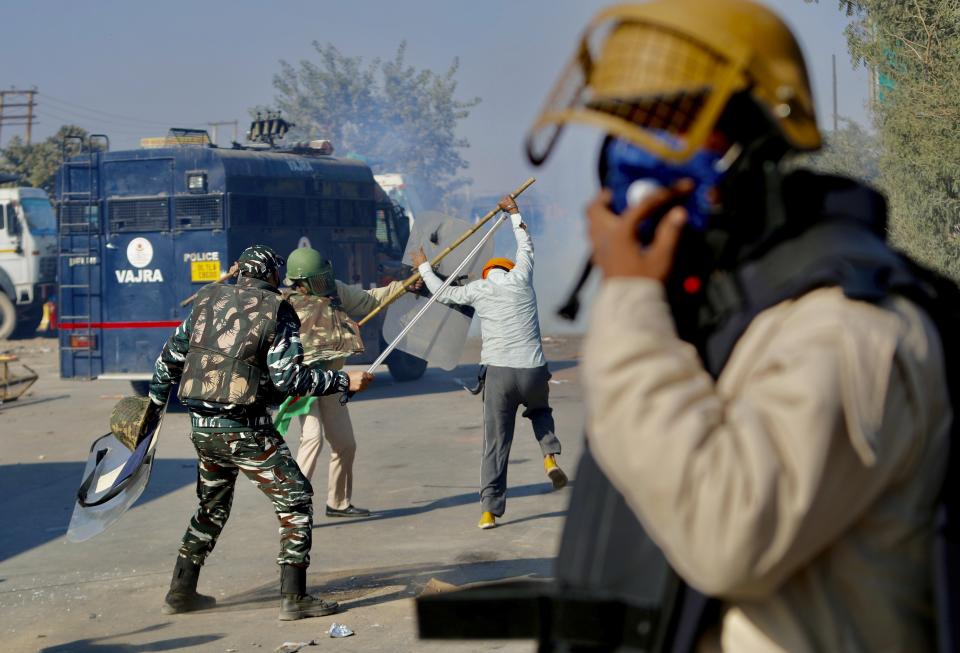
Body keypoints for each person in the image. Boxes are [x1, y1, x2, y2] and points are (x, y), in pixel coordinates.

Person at [524, 0, 953, 650]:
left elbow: (727, 534)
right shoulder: (725, 310)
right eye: (627, 128)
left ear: (751, 139)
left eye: (668, 123)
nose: (634, 160)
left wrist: (631, 299)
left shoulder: (848, 325)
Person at [148, 245, 373, 621]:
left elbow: (167, 362)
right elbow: (289, 379)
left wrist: (152, 412)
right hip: (245, 429)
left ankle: (181, 590)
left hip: (202, 428)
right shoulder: (277, 310)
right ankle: (294, 597)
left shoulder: (207, 300)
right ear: (270, 275)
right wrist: (342, 380)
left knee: (211, 507)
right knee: (297, 500)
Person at [412, 196, 566, 531]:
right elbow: (526, 243)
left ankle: (488, 511)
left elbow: (441, 294)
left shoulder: (478, 290)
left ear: (486, 274)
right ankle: (549, 455)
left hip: (498, 375)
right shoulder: (522, 278)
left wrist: (424, 265)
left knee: (496, 443)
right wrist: (514, 213)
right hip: (533, 369)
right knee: (540, 411)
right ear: (508, 269)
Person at [279, 246, 411, 518]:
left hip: (334, 380)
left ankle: (338, 502)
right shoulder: (282, 304)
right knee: (312, 439)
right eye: (318, 281)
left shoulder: (335, 291)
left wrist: (405, 286)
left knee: (345, 443)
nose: (325, 285)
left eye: (325, 277)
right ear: (300, 284)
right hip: (305, 382)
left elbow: (368, 300)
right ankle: (294, 508)